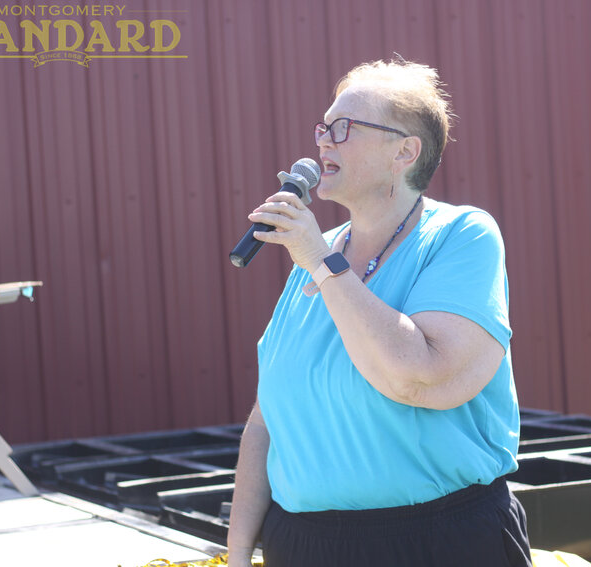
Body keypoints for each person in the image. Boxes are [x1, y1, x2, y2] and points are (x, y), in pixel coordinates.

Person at [227, 58, 532, 567]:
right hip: (303, 545)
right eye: (323, 126)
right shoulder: (314, 256)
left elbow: (421, 378)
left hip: (436, 541)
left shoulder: (462, 235)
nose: (323, 140)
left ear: (404, 152)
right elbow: (267, 422)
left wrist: (323, 264)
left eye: (343, 128)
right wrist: (237, 556)